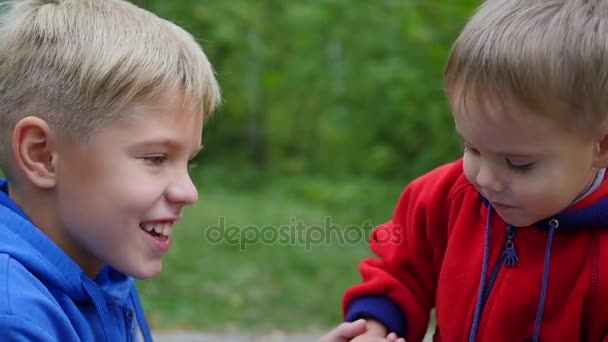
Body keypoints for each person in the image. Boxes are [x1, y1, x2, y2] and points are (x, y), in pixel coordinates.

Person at [323, 0, 608, 341]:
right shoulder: (443, 197)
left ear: (601, 146)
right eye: (472, 148)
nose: (485, 179)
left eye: (519, 164)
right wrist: (372, 329)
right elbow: (398, 273)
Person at [0, 0, 221, 340]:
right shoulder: (16, 319)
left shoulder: (102, 265)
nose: (189, 192)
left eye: (188, 161)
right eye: (156, 158)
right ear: (42, 155)